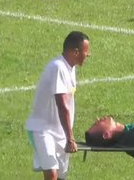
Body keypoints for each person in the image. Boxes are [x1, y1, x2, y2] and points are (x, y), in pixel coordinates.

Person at [26, 31, 90, 180]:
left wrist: (66, 136)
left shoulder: (70, 68)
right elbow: (62, 105)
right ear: (75, 52)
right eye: (86, 51)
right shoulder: (58, 67)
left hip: (59, 132)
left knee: (62, 176)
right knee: (52, 174)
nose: (88, 55)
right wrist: (70, 138)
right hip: (42, 130)